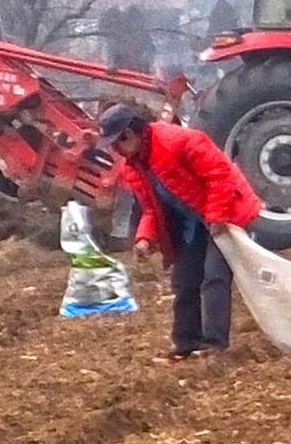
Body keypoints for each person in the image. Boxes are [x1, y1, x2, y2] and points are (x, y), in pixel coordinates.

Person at [99, 103, 263, 362]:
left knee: (214, 277)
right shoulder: (134, 167)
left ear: (130, 134)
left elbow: (219, 175)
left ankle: (214, 347)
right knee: (184, 281)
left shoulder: (178, 140)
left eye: (117, 142)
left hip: (226, 210)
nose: (115, 150)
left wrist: (217, 216)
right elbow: (152, 210)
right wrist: (145, 238)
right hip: (193, 222)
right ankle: (186, 345)